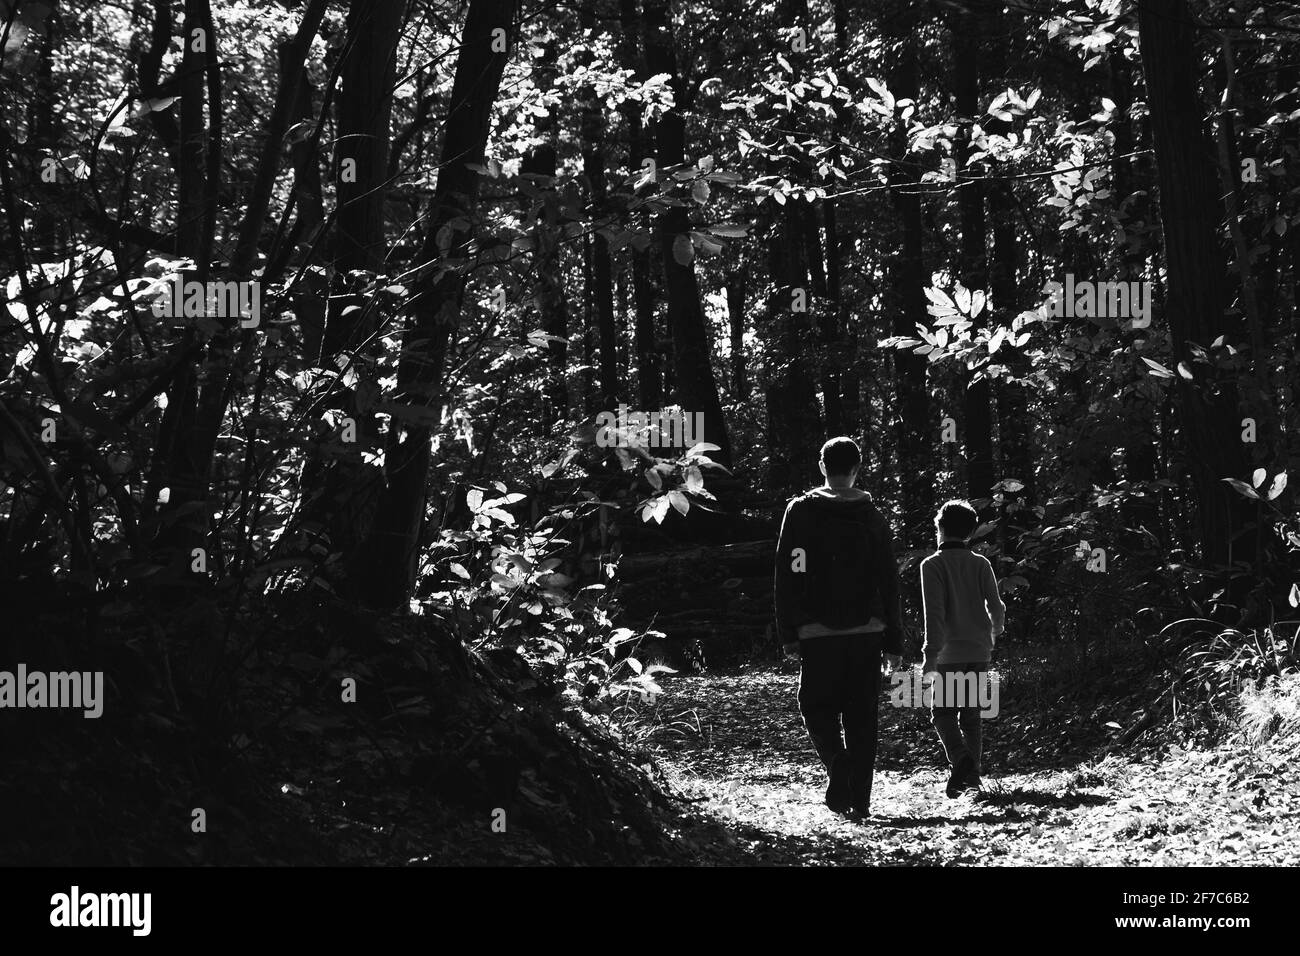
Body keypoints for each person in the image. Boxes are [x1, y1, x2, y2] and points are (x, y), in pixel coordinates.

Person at [774, 437, 903, 817]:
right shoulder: (873, 516)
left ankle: (836, 761)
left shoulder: (800, 512)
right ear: (857, 468)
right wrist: (894, 639)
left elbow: (790, 569)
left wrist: (789, 630)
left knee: (815, 706)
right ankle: (860, 801)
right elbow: (888, 580)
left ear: (822, 466)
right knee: (863, 717)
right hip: (868, 631)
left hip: (817, 631)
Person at [920, 500, 1006, 797]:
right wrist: (995, 633)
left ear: (939, 527)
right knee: (971, 716)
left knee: (942, 713)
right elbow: (997, 607)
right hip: (978, 650)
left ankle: (960, 758)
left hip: (948, 653)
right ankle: (973, 777)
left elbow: (935, 613)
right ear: (970, 533)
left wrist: (929, 657)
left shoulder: (932, 565)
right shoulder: (981, 564)